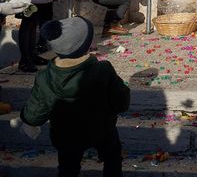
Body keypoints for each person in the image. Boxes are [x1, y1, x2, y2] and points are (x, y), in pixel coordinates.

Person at [13, 16, 130, 176]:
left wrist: (28, 121)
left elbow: (36, 109)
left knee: (68, 168)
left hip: (65, 134)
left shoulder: (45, 77)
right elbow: (121, 100)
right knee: (112, 157)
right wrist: (116, 108)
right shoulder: (102, 70)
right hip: (101, 128)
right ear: (85, 46)